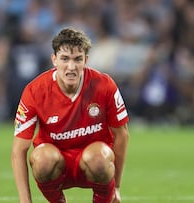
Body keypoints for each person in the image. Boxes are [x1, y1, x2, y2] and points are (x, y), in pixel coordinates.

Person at [11, 27, 130, 203]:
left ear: (86, 61)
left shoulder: (104, 85)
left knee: (98, 158)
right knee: (42, 159)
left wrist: (117, 187)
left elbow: (122, 135)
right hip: (56, 163)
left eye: (77, 59)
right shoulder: (35, 91)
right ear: (54, 60)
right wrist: (25, 201)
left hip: (94, 162)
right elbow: (19, 149)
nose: (71, 67)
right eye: (65, 59)